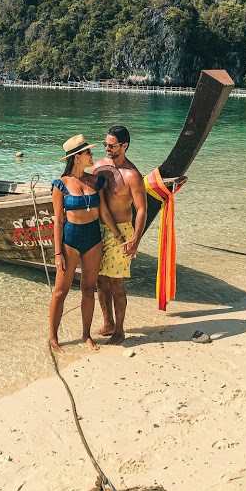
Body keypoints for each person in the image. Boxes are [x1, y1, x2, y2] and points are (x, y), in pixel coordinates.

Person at [49, 135, 122, 354]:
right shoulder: (60, 185)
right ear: (77, 157)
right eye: (88, 152)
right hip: (71, 239)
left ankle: (86, 335)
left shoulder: (95, 181)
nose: (92, 155)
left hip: (93, 239)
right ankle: (53, 338)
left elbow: (105, 213)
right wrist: (58, 253)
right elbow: (58, 221)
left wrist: (119, 236)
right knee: (60, 292)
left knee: (88, 289)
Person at [92, 125, 147, 345]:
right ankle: (108, 323)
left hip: (122, 231)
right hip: (98, 229)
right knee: (99, 280)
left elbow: (142, 209)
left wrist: (136, 240)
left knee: (116, 284)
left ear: (124, 146)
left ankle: (120, 331)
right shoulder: (98, 167)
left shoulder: (132, 175)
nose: (107, 148)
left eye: (111, 145)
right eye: (105, 144)